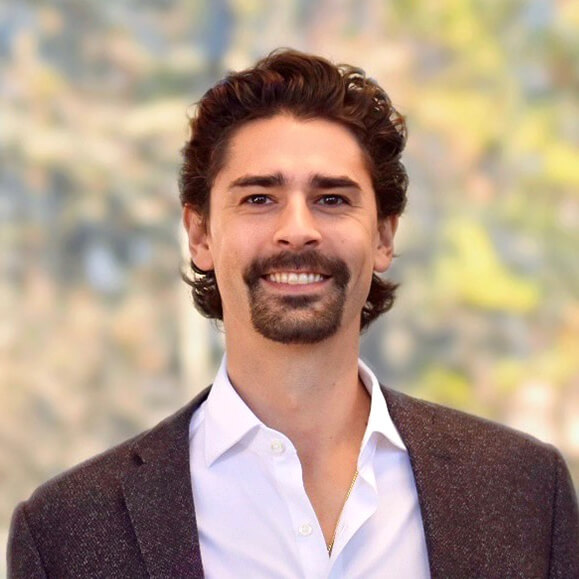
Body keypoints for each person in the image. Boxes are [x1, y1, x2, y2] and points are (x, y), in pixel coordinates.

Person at [8, 49, 578, 578]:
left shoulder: (525, 493)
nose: (298, 229)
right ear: (200, 235)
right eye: (259, 198)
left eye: (332, 199)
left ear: (383, 237)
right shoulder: (66, 533)